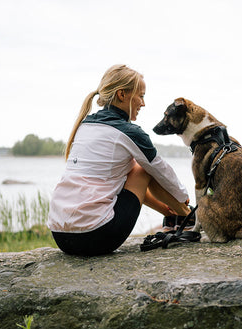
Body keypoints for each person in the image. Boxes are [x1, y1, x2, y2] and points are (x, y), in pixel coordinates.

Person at [48, 64, 192, 256]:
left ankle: (172, 215)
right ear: (122, 95)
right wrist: (183, 198)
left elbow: (136, 185)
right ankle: (188, 216)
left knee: (132, 167)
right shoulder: (129, 132)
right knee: (142, 169)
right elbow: (161, 170)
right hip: (97, 235)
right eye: (141, 96)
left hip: (61, 236)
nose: (143, 103)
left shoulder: (85, 125)